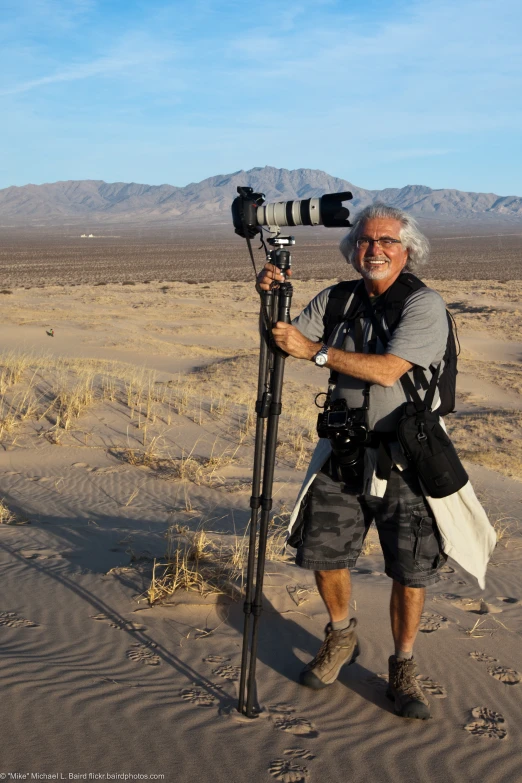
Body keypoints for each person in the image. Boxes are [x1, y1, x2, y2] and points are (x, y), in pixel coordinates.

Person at [257, 203, 451, 721]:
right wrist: (272, 297)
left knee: (409, 570)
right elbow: (281, 343)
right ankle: (341, 635)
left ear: (407, 249)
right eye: (366, 241)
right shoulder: (337, 299)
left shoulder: (423, 305)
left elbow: (388, 371)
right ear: (353, 248)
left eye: (387, 241)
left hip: (407, 458)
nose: (376, 249)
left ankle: (403, 664)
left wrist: (318, 352)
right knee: (325, 553)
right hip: (344, 453)